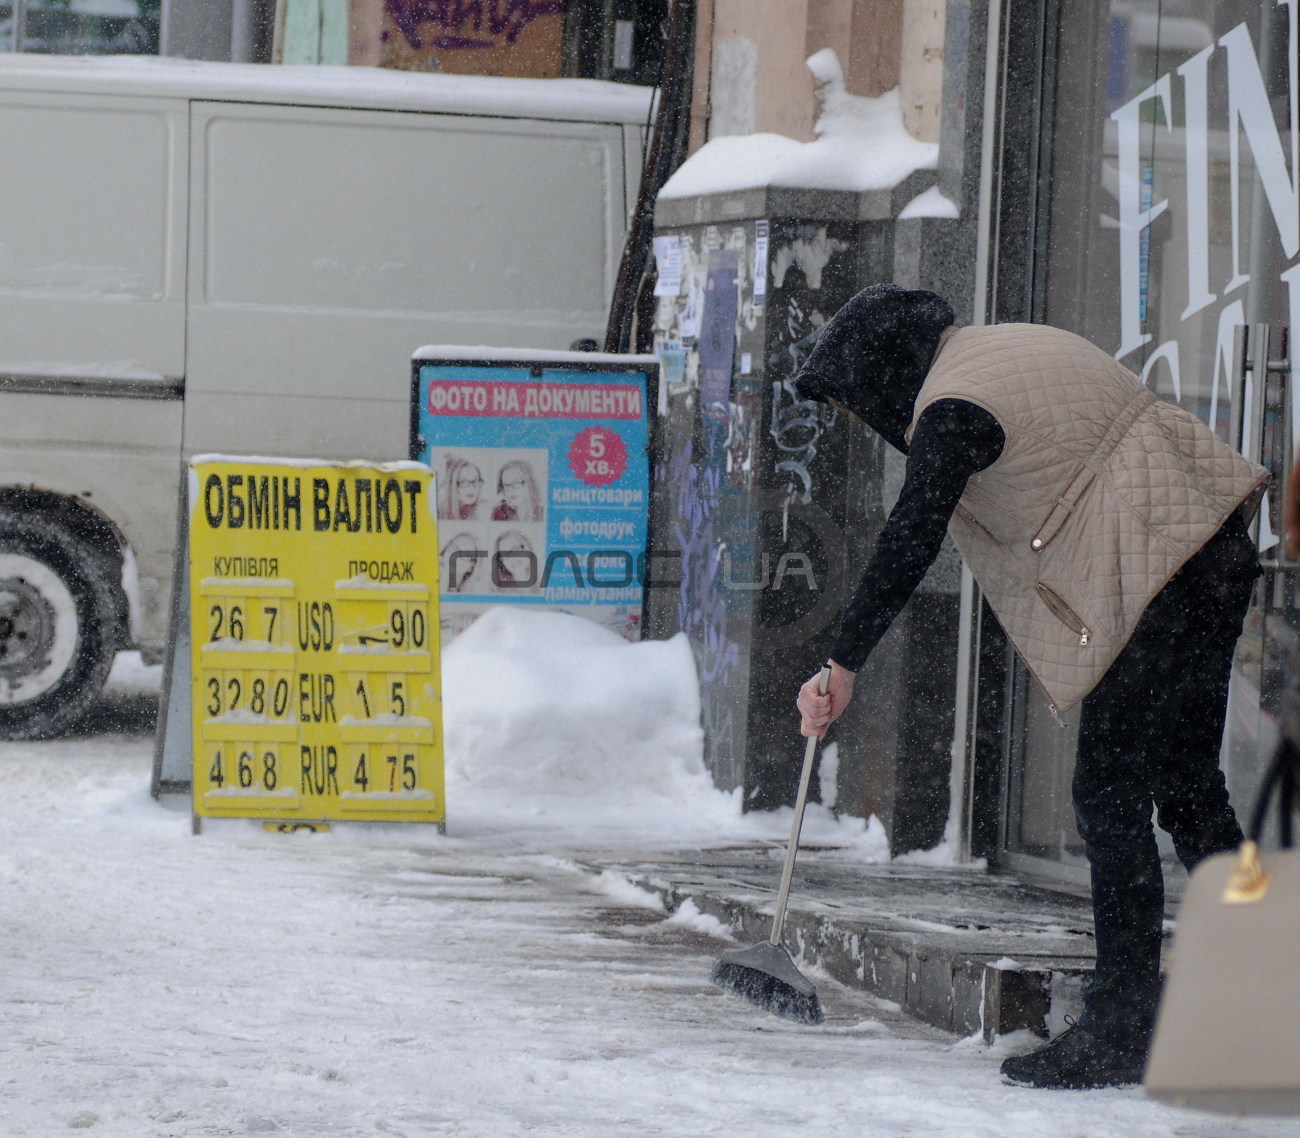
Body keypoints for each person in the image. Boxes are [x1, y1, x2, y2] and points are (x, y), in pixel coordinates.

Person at [793, 284, 1267, 1090]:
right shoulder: (1013, 346)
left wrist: (842, 660)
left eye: (858, 400)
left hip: (1156, 576)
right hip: (1212, 550)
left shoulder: (954, 406)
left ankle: (1123, 1023)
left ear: (884, 374)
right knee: (1187, 783)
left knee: (1109, 795)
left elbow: (911, 535)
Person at [438, 456, 484, 520]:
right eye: (463, 482)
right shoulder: (439, 512)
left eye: (475, 481)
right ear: (452, 485)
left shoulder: (485, 511)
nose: (471, 488)